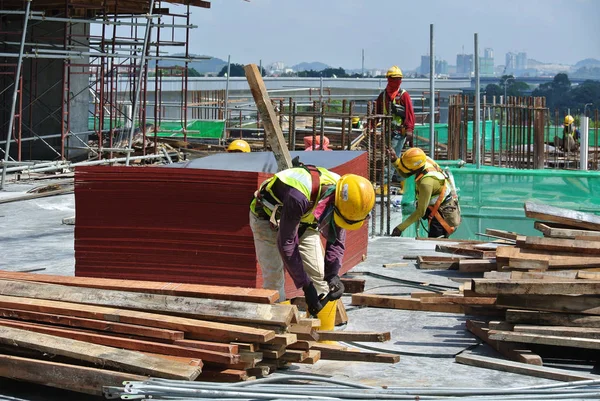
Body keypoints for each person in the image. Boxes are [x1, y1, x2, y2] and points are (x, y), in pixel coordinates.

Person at [249, 165, 375, 317]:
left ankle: (320, 332)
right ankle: (277, 330)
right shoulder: (299, 195)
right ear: (334, 203)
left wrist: (333, 275)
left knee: (320, 279)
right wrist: (306, 286)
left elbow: (336, 239)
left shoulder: (345, 197)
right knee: (274, 281)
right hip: (267, 217)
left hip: (304, 221)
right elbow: (287, 245)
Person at [387, 147, 461, 238]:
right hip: (440, 208)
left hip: (442, 216)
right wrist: (395, 160)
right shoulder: (423, 160)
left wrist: (400, 228)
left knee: (434, 245)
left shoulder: (426, 182)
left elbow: (420, 211)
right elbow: (406, 172)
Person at [375, 66, 415, 156]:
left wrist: (409, 129)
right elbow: (377, 113)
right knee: (387, 156)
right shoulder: (383, 96)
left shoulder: (403, 95)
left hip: (399, 132)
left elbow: (410, 113)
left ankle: (389, 170)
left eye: (399, 79)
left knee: (393, 157)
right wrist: (370, 126)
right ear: (389, 79)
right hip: (386, 131)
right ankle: (393, 169)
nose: (397, 81)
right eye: (395, 79)